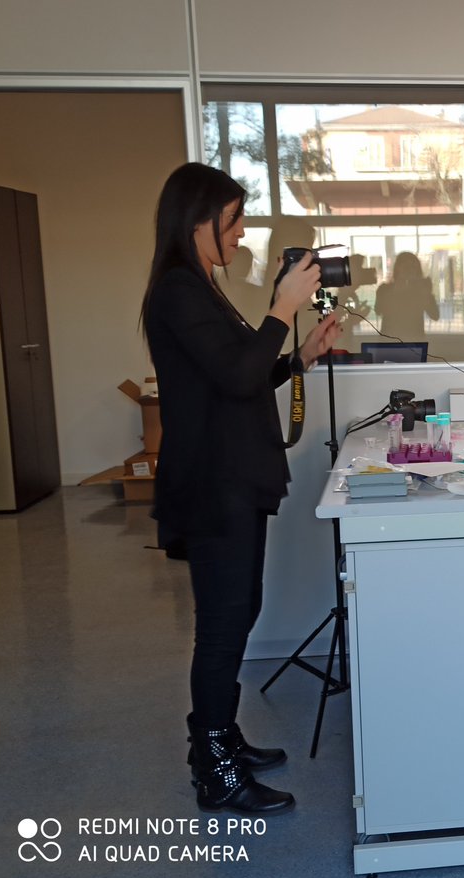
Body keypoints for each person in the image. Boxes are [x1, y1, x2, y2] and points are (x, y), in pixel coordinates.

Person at [140, 162, 342, 813]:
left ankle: (219, 737)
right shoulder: (177, 290)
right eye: (232, 220)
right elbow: (234, 376)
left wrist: (300, 357)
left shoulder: (200, 286)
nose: (241, 233)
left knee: (239, 613)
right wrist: (282, 307)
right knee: (223, 626)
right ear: (197, 219)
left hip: (232, 476)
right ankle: (216, 771)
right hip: (212, 482)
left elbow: (241, 373)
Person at [372, 251, 439, 342]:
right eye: (406, 267)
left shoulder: (420, 291)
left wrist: (427, 293)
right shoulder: (385, 289)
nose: (409, 270)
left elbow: (435, 315)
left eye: (413, 267)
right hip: (390, 342)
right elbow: (378, 310)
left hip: (414, 342)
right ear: (398, 268)